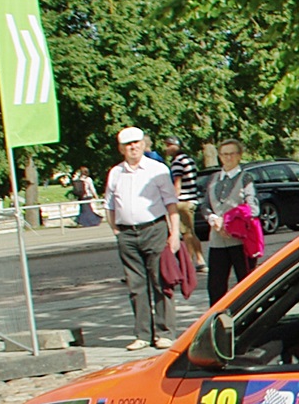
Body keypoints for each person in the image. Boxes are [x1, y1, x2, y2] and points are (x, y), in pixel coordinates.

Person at [103, 126, 181, 350]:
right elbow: (109, 205)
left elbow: (171, 203)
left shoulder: (157, 169)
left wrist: (174, 233)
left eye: (136, 143)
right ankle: (143, 334)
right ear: (121, 149)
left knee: (160, 282)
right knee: (136, 286)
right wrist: (116, 230)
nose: (133, 148)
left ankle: (165, 332)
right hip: (127, 233)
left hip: (154, 229)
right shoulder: (116, 173)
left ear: (144, 144)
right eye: (128, 145)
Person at [203, 139, 260, 306]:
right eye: (224, 154)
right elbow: (205, 205)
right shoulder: (213, 179)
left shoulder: (245, 178)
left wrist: (227, 221)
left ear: (239, 155)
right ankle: (218, 317)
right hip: (217, 241)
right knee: (215, 286)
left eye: (232, 154)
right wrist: (213, 219)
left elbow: (253, 209)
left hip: (240, 242)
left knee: (246, 283)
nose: (228, 158)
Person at [163, 135, 205, 270]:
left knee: (186, 233)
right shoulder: (189, 159)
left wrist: (172, 200)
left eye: (169, 145)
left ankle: (188, 263)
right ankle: (200, 259)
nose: (166, 148)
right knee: (191, 232)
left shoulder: (177, 162)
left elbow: (177, 183)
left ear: (176, 146)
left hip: (183, 201)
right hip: (192, 199)